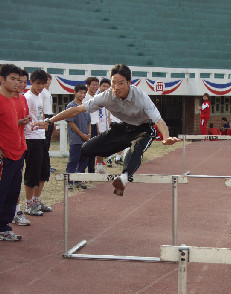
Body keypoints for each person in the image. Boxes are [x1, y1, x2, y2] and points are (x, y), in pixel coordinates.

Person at [32, 64, 180, 196]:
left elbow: (159, 121)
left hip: (143, 129)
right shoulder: (107, 96)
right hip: (123, 129)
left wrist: (166, 137)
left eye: (121, 83)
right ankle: (92, 167)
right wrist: (49, 121)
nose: (116, 87)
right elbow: (77, 110)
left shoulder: (141, 97)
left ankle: (123, 179)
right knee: (86, 149)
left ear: (129, 83)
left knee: (137, 148)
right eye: (113, 83)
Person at [24, 70, 52, 216]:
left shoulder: (40, 96)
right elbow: (24, 118)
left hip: (41, 137)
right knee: (32, 172)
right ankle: (28, 204)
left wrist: (44, 125)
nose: (41, 86)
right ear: (31, 82)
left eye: (43, 83)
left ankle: (36, 200)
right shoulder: (27, 98)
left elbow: (40, 116)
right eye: (38, 83)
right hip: (31, 138)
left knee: (43, 171)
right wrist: (33, 126)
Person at [0, 64, 23, 241]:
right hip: (4, 156)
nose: (17, 83)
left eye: (18, 79)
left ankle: (4, 227)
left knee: (12, 192)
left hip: (17, 154)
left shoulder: (12, 101)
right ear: (2, 79)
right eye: (12, 79)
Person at [11, 69, 31, 226]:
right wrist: (18, 122)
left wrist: (26, 119)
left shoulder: (23, 99)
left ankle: (16, 212)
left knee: (15, 183)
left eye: (24, 81)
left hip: (20, 145)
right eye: (17, 80)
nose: (21, 84)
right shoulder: (6, 99)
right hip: (6, 149)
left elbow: (22, 119)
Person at [66, 84, 91, 190]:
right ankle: (70, 181)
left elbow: (89, 122)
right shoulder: (71, 106)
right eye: (80, 92)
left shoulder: (85, 106)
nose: (82, 94)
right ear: (75, 92)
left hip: (86, 139)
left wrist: (89, 134)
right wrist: (81, 134)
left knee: (84, 160)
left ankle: (79, 180)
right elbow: (71, 123)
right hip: (76, 139)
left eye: (84, 92)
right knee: (73, 160)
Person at [82, 77, 100, 173]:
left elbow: (95, 115)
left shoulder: (96, 97)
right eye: (93, 85)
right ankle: (83, 171)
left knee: (93, 149)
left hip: (94, 126)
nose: (95, 87)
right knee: (86, 149)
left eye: (97, 85)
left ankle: (91, 171)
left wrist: (97, 128)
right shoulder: (85, 97)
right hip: (86, 126)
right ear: (88, 86)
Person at [40, 72, 56, 173]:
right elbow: (41, 108)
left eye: (49, 80)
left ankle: (47, 165)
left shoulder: (48, 92)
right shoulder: (42, 92)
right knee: (44, 144)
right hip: (45, 117)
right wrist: (44, 122)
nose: (48, 82)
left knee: (48, 143)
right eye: (46, 80)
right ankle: (44, 166)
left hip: (50, 116)